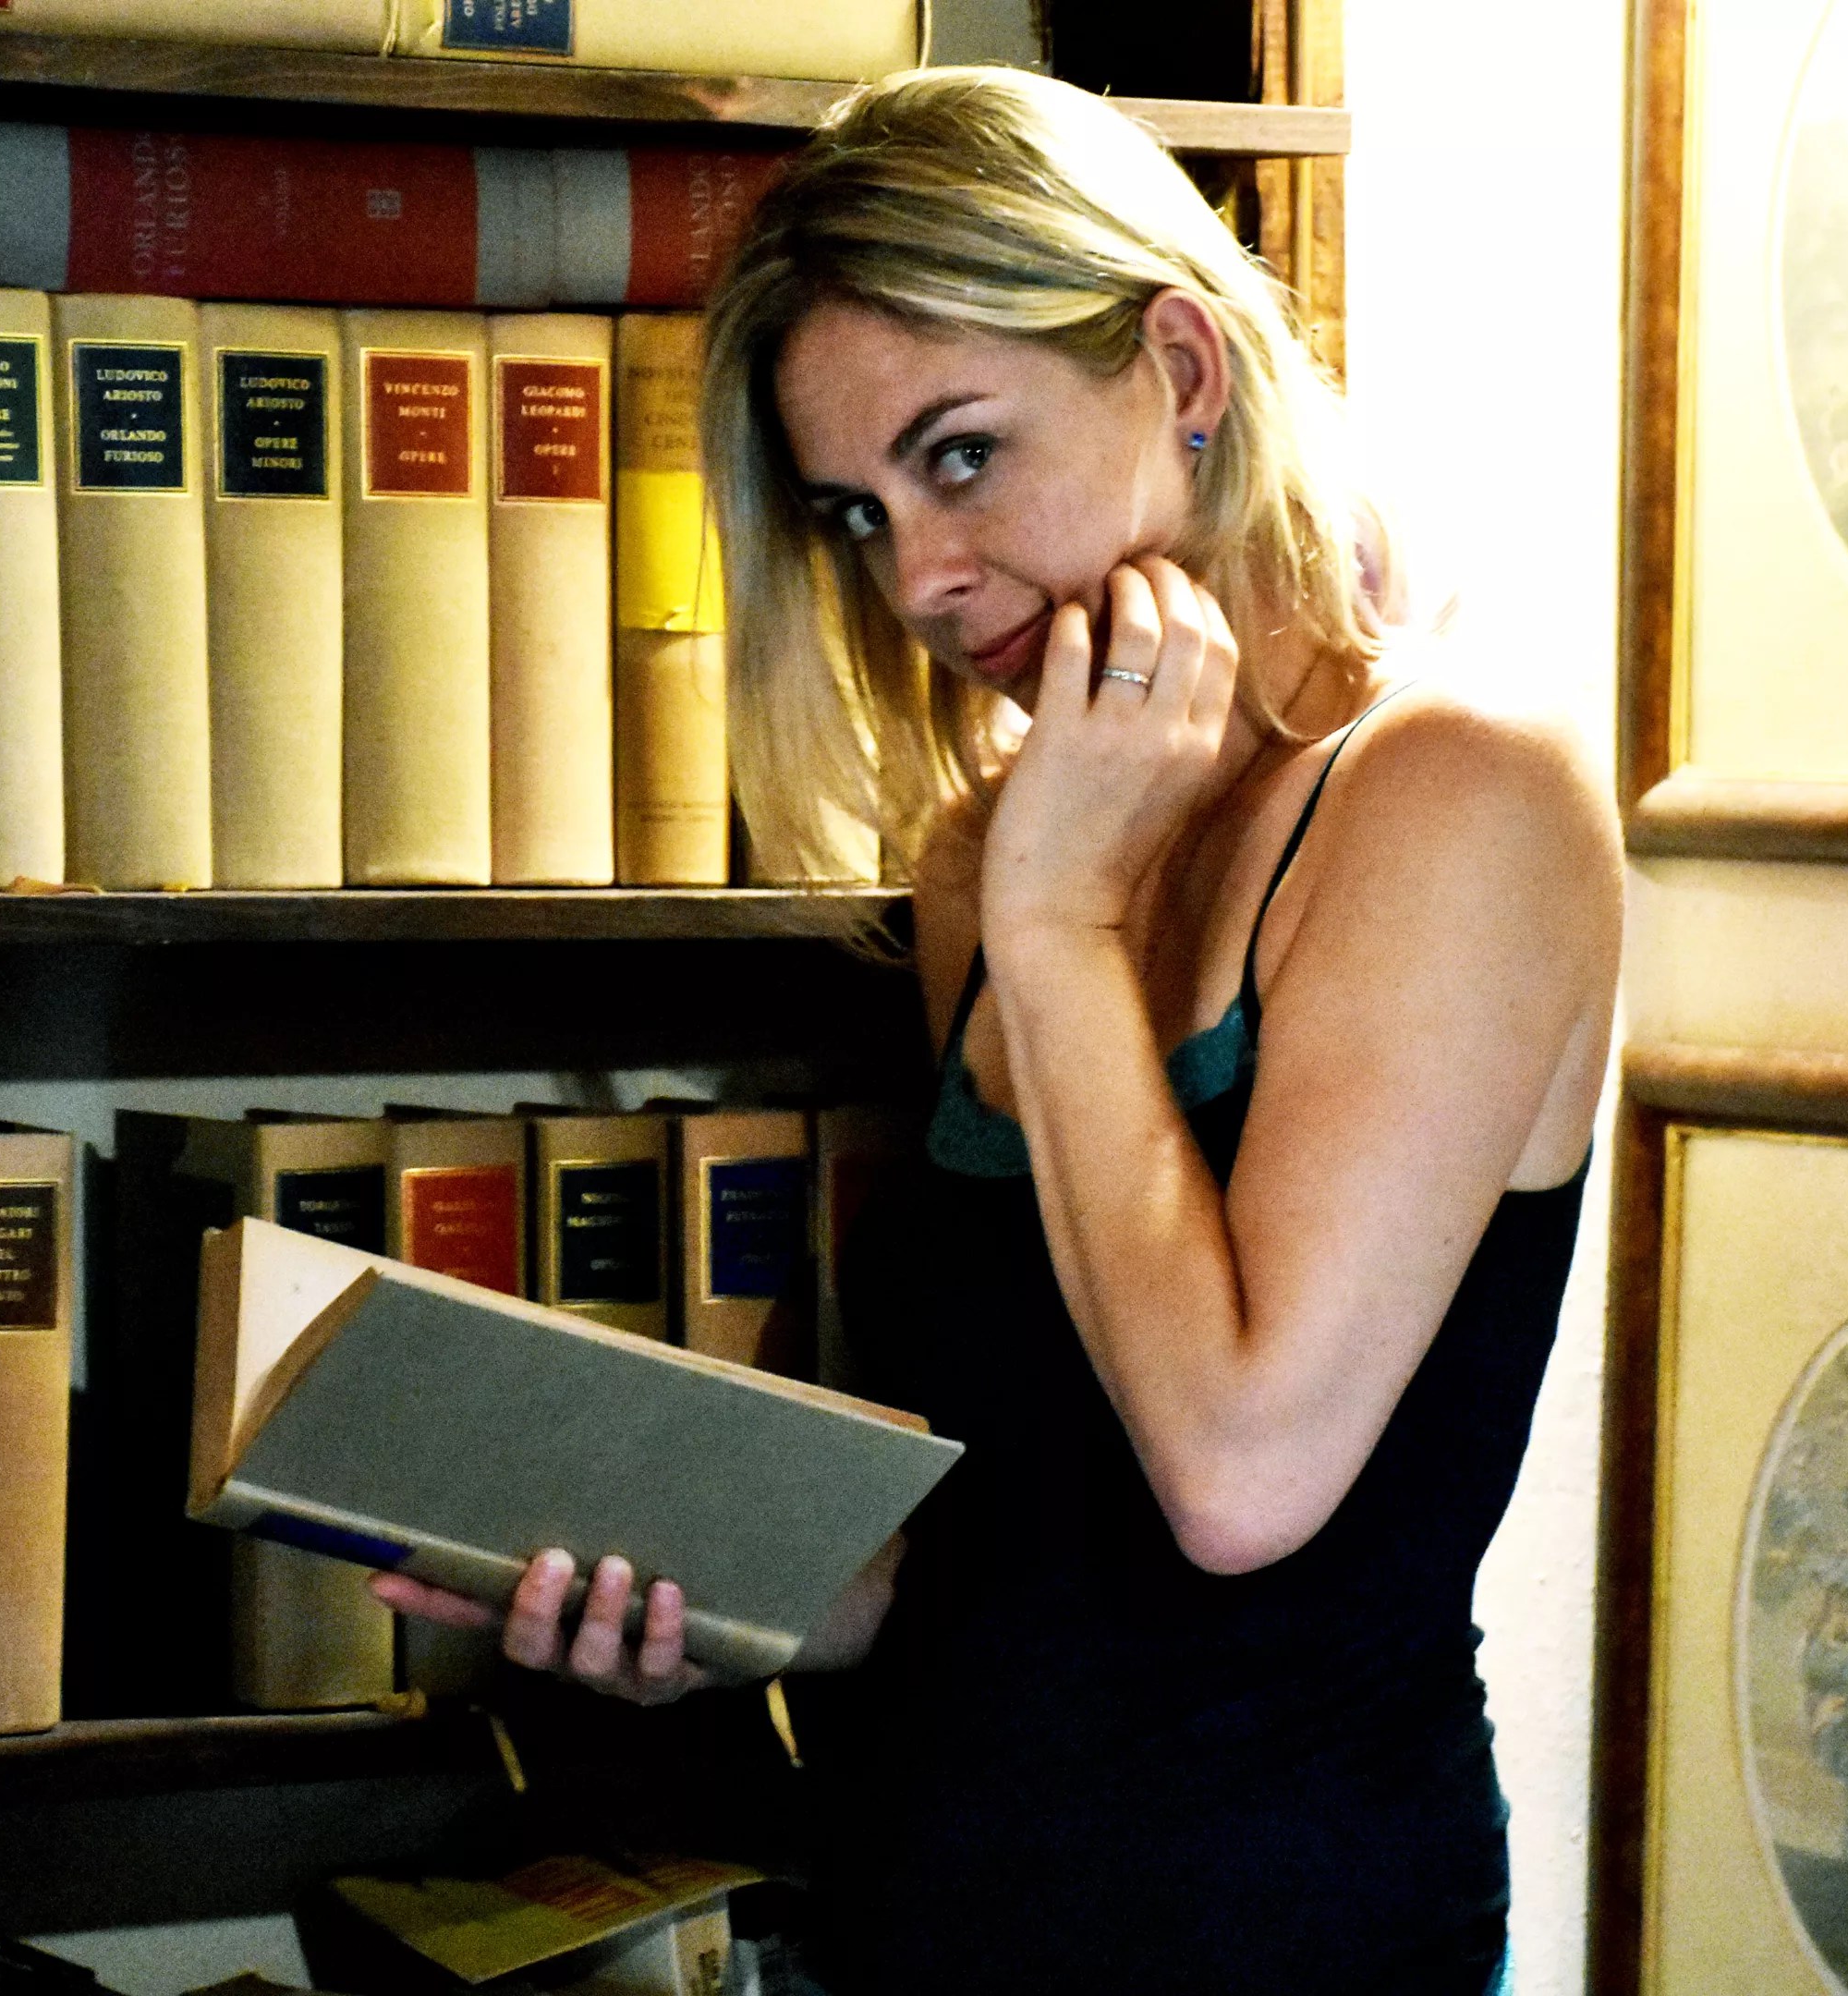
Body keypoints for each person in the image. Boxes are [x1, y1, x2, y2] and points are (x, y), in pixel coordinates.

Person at [372, 66, 1621, 1994]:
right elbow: (1005, 1544)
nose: (918, 581)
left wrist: (1059, 922)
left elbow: (1237, 1480)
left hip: (1281, 1937)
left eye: (960, 457)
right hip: (913, 1918)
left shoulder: (1458, 794)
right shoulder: (996, 855)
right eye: (856, 513)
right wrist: (696, 1595)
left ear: (1182, 368)